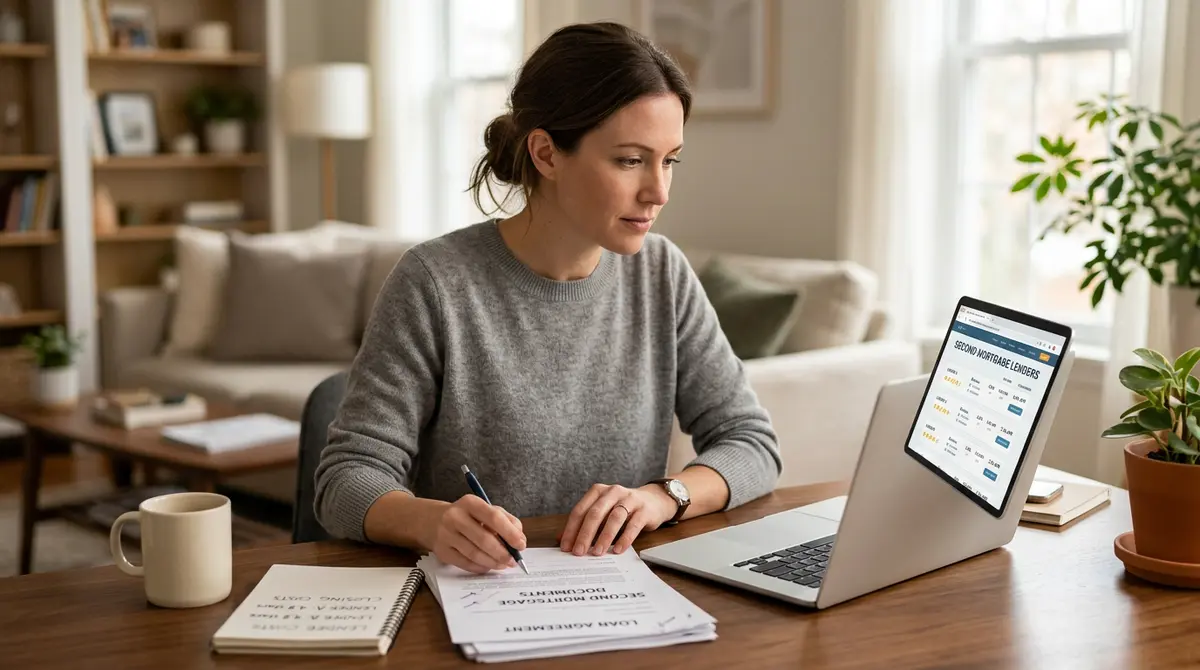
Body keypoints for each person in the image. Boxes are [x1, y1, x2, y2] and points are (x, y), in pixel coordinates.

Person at [314, 21, 782, 575]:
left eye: (670, 160)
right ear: (546, 153)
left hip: (620, 600)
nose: (659, 191)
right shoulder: (433, 283)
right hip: (474, 602)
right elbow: (345, 479)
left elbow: (751, 444)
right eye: (630, 160)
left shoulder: (664, 275)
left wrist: (663, 497)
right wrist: (432, 521)